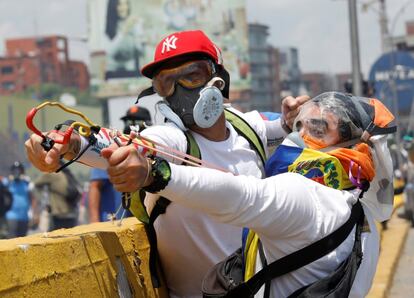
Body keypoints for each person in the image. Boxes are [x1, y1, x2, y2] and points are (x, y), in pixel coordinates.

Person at [25, 30, 308, 297]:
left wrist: (292, 116)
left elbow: (281, 127)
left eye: (192, 76)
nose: (179, 91)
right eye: (166, 82)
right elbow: (125, 147)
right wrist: (67, 143)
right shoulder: (171, 141)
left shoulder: (246, 126)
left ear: (217, 76)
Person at [101, 92, 396, 297]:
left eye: (316, 128)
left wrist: (156, 174)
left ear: (348, 147)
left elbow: (237, 196)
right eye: (300, 124)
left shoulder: (305, 198)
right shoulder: (361, 212)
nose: (296, 134)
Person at [88, 105, 152, 223]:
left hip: (147, 219)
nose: (130, 124)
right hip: (114, 220)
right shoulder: (113, 148)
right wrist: (94, 220)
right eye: (128, 121)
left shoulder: (154, 149)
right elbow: (95, 186)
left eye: (136, 121)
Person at [105, 0, 144, 79]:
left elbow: (140, 50)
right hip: (113, 73)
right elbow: (110, 52)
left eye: (126, 4)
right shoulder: (109, 26)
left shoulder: (133, 23)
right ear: (113, 7)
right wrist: (124, 30)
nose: (124, 8)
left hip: (132, 71)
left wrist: (138, 30)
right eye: (119, 4)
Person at [34, 165, 80, 230]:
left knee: (55, 237)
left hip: (58, 214)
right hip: (72, 213)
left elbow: (37, 184)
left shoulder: (52, 174)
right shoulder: (68, 174)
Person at [3, 161, 38, 238]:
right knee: (12, 239)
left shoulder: (27, 183)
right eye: (15, 170)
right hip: (11, 216)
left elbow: (33, 198)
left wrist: (34, 213)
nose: (17, 172)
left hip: (24, 216)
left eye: (19, 170)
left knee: (22, 240)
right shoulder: (7, 183)